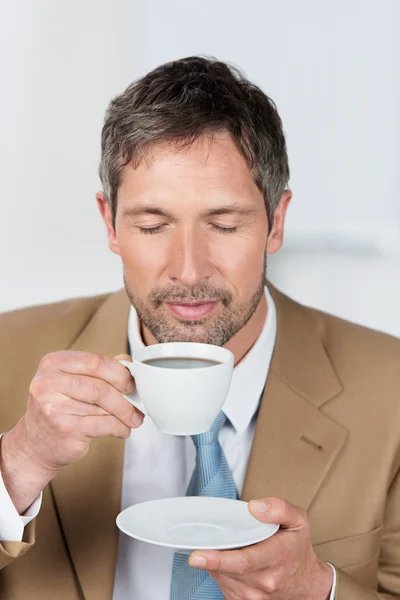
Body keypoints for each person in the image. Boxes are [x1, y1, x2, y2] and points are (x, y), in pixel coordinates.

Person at [0, 56, 399, 600]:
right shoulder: (5, 356)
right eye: (152, 225)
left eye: (224, 224)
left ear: (276, 223)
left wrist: (320, 590)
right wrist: (19, 462)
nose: (189, 270)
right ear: (109, 224)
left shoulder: (391, 391)